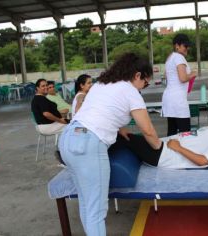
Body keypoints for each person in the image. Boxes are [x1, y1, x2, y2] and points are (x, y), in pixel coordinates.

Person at [58, 53, 162, 235]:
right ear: (137, 75)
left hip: (68, 138)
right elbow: (148, 131)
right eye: (145, 82)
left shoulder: (101, 84)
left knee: (87, 204)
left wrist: (119, 128)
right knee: (96, 210)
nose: (144, 87)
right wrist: (159, 148)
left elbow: (99, 110)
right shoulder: (131, 92)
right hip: (89, 144)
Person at [111, 103, 208, 169]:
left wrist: (178, 148)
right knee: (124, 136)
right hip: (163, 145)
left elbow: (204, 161)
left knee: (123, 136)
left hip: (165, 154)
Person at [161, 33, 197, 136]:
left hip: (170, 99)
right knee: (185, 134)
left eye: (188, 46)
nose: (187, 48)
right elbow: (183, 78)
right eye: (185, 46)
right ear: (177, 45)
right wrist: (193, 74)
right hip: (178, 101)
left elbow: (166, 76)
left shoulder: (170, 58)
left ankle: (170, 151)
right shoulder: (179, 58)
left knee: (172, 133)